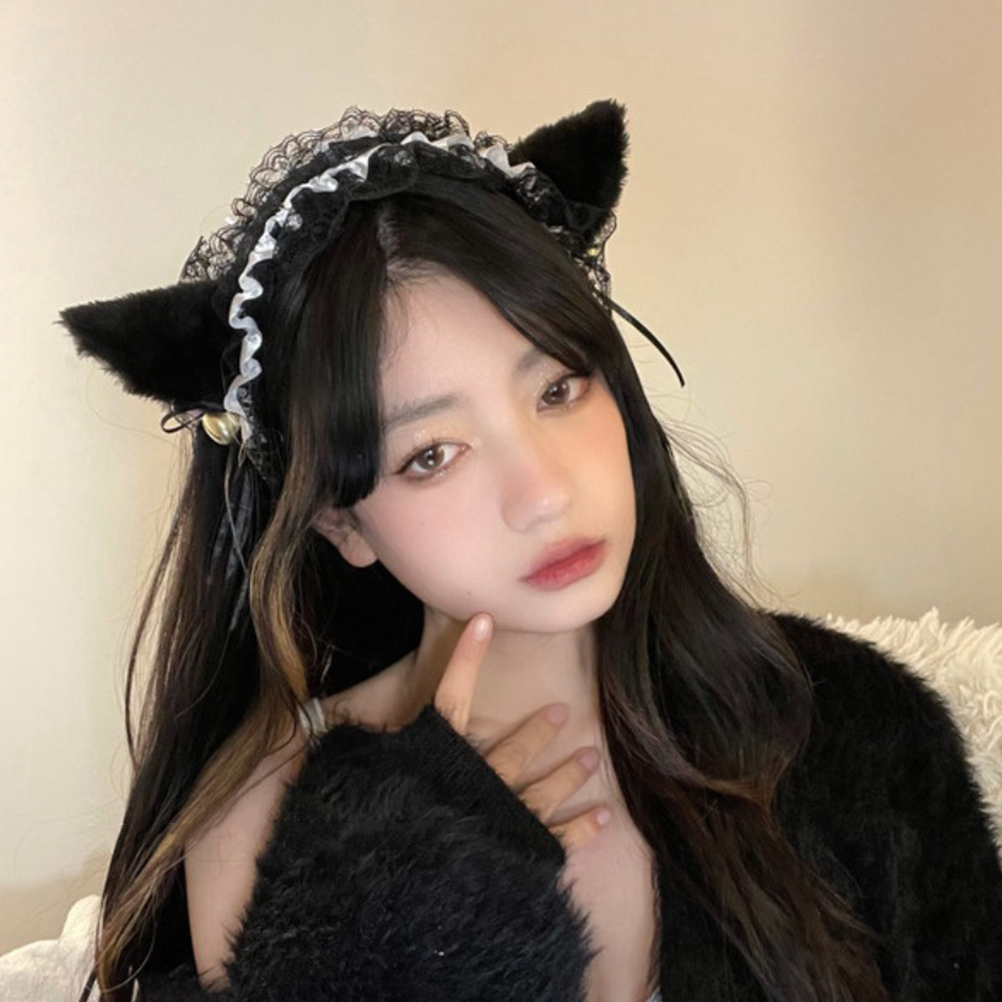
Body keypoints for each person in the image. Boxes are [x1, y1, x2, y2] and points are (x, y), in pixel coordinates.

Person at [59, 102, 1002, 1002]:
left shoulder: (849, 723)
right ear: (342, 524)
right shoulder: (269, 816)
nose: (544, 491)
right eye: (432, 454)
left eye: (558, 390)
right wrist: (385, 926)